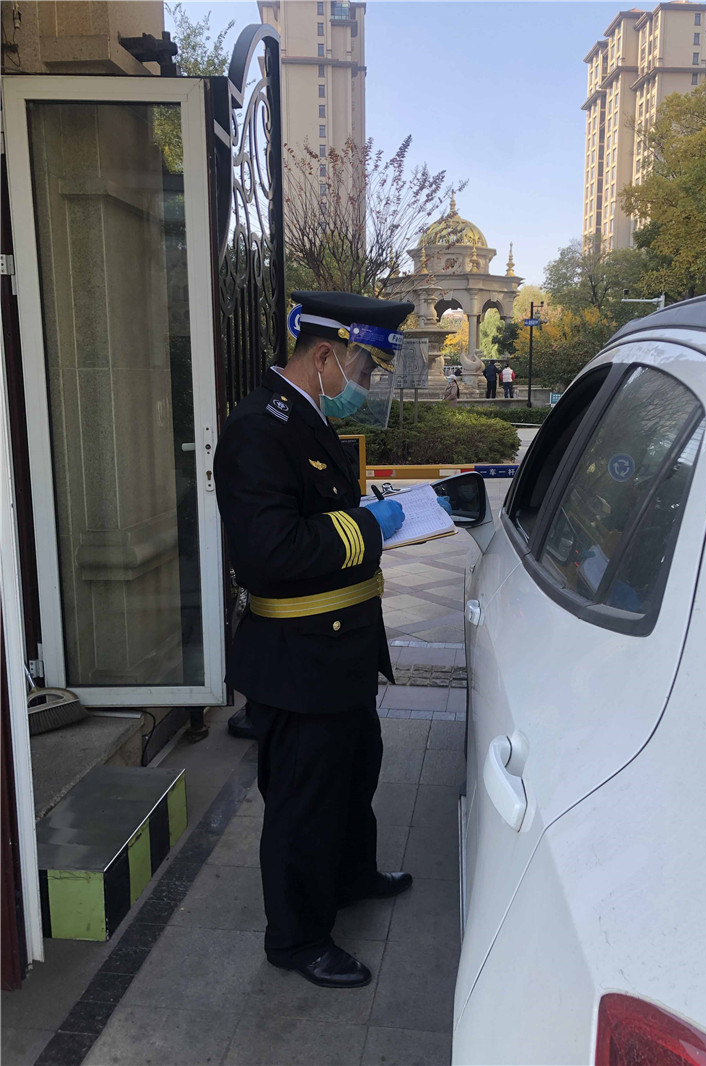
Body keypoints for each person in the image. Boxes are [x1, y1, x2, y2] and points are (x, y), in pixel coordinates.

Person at [213, 291, 415, 990]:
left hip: (341, 648)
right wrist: (369, 527)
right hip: (300, 657)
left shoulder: (304, 414)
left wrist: (371, 515)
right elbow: (270, 549)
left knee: (354, 772)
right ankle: (297, 939)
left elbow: (317, 510)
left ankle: (351, 876)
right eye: (364, 369)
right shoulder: (258, 428)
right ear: (326, 354)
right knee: (305, 802)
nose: (365, 385)